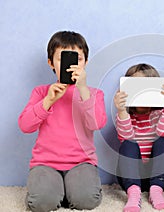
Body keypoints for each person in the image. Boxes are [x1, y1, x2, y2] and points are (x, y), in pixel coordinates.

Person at [18, 31, 107, 211]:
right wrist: (48, 102)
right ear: (51, 62)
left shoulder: (94, 94)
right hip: (46, 163)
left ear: (86, 63)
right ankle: (55, 190)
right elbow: (25, 126)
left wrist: (82, 90)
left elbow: (96, 124)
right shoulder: (42, 92)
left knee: (86, 200)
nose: (72, 65)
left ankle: (69, 189)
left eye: (78, 59)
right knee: (42, 203)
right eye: (63, 59)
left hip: (81, 162)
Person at [114, 63, 164, 212]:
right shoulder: (127, 117)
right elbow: (126, 136)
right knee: (128, 144)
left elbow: (163, 132)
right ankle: (134, 194)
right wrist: (122, 110)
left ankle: (156, 191)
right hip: (131, 176)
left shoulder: (158, 114)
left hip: (160, 175)